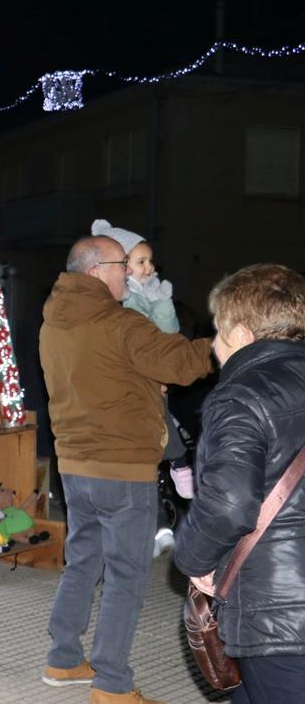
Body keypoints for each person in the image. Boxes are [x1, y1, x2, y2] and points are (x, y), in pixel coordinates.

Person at [39, 235, 213, 704]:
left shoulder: (53, 322)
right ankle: (112, 684)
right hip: (121, 468)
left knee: (83, 561)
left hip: (74, 465)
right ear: (97, 270)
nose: (132, 274)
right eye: (123, 266)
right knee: (126, 574)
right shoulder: (120, 323)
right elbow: (181, 363)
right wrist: (223, 343)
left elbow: (105, 375)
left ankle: (63, 657)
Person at [174, 264, 305, 704]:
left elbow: (229, 504)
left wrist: (192, 558)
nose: (213, 344)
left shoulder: (242, 394)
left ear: (244, 335)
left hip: (280, 616)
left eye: (219, 331)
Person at [92, 219, 195, 498]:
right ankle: (177, 460)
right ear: (122, 267)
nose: (149, 267)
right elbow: (133, 340)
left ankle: (176, 462)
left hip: (151, 371)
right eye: (141, 261)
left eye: (150, 261)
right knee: (155, 419)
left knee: (160, 416)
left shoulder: (150, 293)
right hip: (132, 378)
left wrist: (161, 301)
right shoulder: (117, 301)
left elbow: (169, 332)